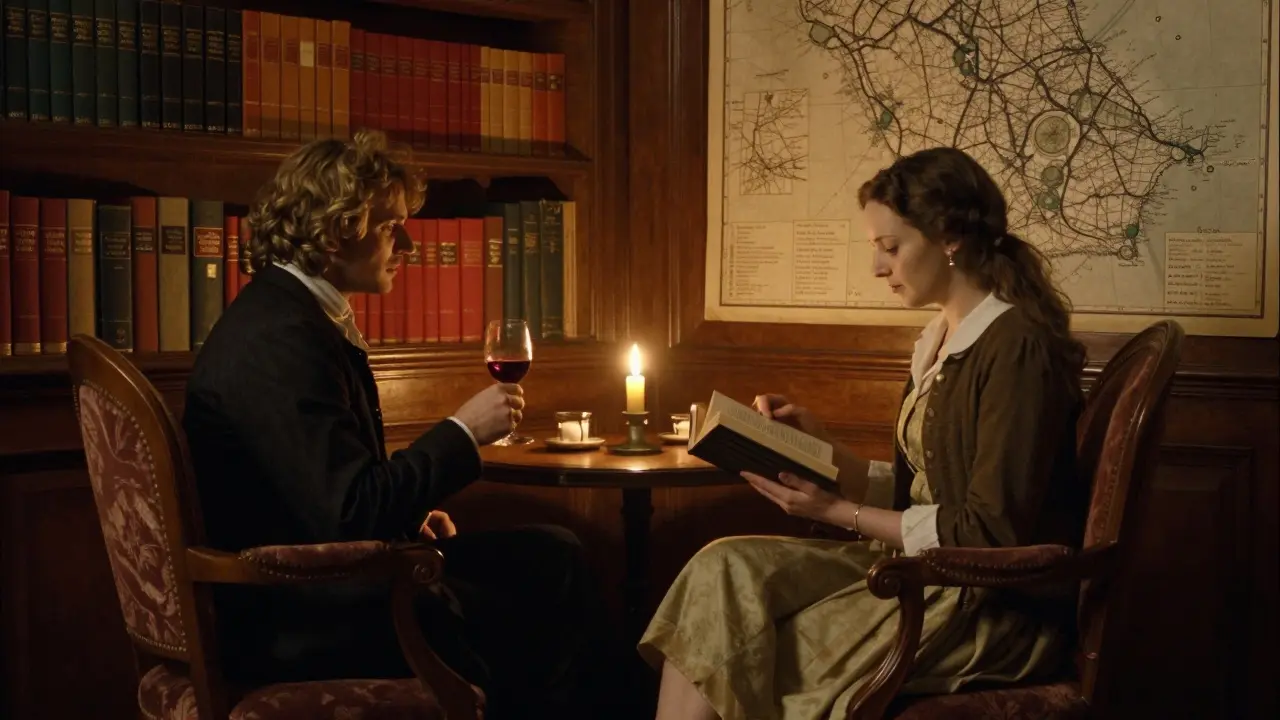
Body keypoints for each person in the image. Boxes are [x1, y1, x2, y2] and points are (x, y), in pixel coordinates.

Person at [638, 146, 1092, 720]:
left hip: (981, 601)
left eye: (891, 248)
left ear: (949, 236)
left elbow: (990, 530)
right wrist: (820, 448)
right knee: (721, 569)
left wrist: (835, 512)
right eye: (876, 249)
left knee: (751, 646)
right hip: (917, 572)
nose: (878, 268)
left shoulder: (1016, 346)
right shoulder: (938, 340)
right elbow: (920, 495)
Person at [182, 130, 616, 719]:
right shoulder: (280, 339)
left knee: (553, 554)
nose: (407, 242)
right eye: (389, 227)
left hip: (326, 579)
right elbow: (348, 511)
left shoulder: (291, 315)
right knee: (540, 597)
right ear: (337, 232)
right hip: (295, 610)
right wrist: (462, 432)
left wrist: (407, 520)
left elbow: (318, 485)